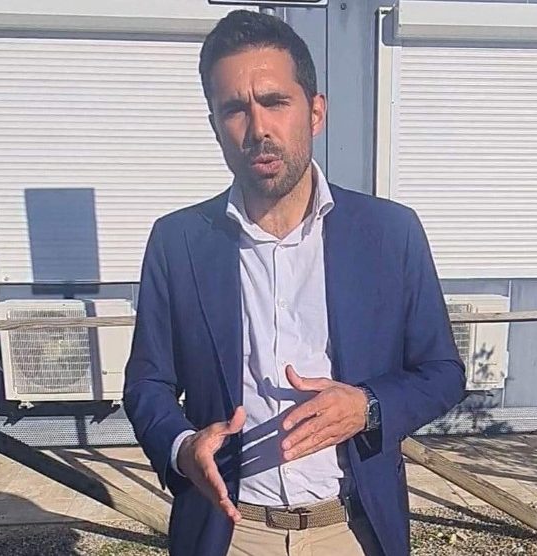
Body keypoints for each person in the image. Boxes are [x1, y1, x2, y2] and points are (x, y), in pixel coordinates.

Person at [123, 10, 465, 556]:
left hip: (351, 531)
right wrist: (183, 447)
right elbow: (147, 384)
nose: (258, 128)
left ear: (315, 111)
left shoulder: (389, 233)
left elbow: (442, 372)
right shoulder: (178, 241)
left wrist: (368, 406)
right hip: (229, 530)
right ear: (215, 126)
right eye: (235, 109)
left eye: (275, 102)